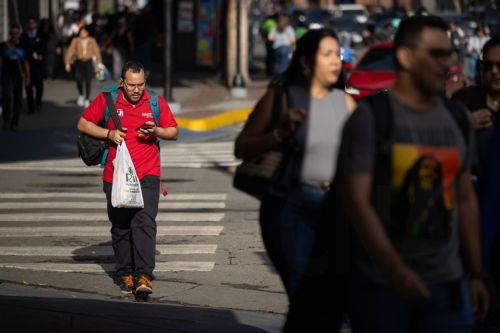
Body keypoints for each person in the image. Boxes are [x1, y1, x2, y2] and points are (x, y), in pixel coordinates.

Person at [338, 15, 489, 333]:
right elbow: (355, 200)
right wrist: (395, 271)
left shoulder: (456, 118)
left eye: (448, 54)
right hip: (383, 289)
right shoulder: (372, 118)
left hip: (448, 286)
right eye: (435, 54)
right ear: (405, 57)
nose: (446, 64)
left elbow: (465, 198)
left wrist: (476, 273)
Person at [235, 28, 356, 300]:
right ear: (305, 61)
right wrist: (279, 133)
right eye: (327, 54)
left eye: (337, 54)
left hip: (334, 210)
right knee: (304, 294)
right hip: (289, 208)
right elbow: (241, 147)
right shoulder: (280, 98)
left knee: (330, 299)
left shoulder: (346, 103)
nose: (336, 61)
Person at [76, 61, 179, 295]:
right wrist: (108, 133)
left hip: (148, 173)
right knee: (121, 226)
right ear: (122, 82)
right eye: (131, 85)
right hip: (116, 174)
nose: (136, 90)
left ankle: (143, 275)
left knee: (144, 223)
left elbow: (173, 131)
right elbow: (83, 123)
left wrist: (157, 131)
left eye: (141, 85)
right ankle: (125, 272)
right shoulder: (107, 100)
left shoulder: (154, 101)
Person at [452, 35, 500, 331]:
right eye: (489, 65)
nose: (494, 71)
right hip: (472, 220)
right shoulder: (464, 102)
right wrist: (465, 123)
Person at [1, 24, 29, 131]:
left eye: (17, 33)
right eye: (13, 33)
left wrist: (27, 76)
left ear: (19, 34)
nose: (15, 35)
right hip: (6, 75)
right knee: (6, 97)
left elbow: (25, 62)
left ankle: (15, 122)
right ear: (10, 34)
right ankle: (6, 120)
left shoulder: (22, 46)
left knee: (18, 99)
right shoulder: (4, 45)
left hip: (18, 76)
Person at [65, 26, 102, 108]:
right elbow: (70, 51)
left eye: (84, 32)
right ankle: (81, 95)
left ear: (87, 32)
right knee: (78, 79)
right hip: (79, 62)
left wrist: (99, 63)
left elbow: (97, 52)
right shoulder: (76, 40)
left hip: (89, 62)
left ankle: (87, 99)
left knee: (88, 81)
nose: (82, 33)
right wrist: (67, 62)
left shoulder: (92, 40)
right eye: (81, 32)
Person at [21, 17, 45, 114]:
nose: (31, 25)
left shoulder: (40, 35)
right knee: (28, 85)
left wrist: (41, 56)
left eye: (33, 23)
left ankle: (38, 102)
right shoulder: (24, 36)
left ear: (36, 24)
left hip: (38, 65)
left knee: (39, 86)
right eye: (29, 23)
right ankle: (31, 107)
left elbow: (44, 47)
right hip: (28, 63)